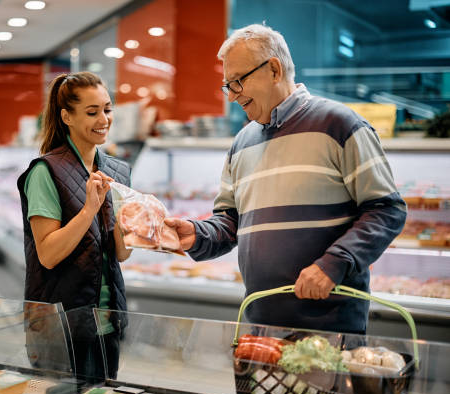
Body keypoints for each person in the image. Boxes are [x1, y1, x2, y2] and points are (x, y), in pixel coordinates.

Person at [165, 24, 406, 335]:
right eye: (228, 86)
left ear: (274, 69)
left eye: (238, 82)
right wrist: (196, 234)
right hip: (261, 326)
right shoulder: (241, 143)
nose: (232, 96)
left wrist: (334, 263)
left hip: (330, 327)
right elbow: (230, 221)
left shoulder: (340, 125)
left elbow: (387, 209)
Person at [16, 72, 132, 382]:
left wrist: (138, 222)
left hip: (108, 321)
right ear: (66, 116)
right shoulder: (45, 172)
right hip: (60, 325)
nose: (103, 119)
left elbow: (121, 253)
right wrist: (90, 208)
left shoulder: (116, 170)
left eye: (107, 109)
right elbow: (49, 254)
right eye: (92, 112)